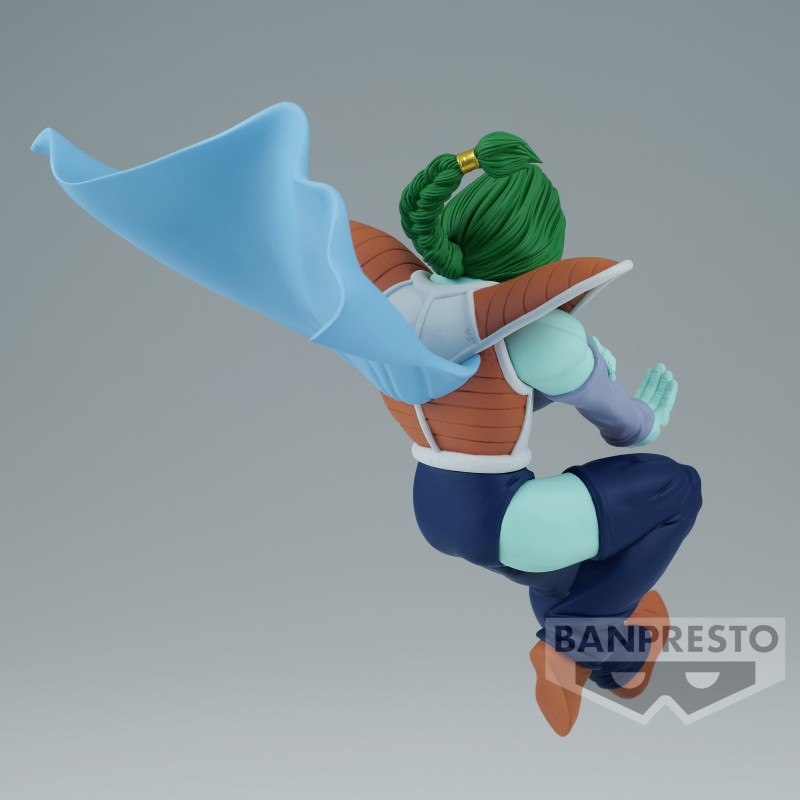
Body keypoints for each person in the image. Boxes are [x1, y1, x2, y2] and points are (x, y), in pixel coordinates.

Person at [353, 132, 703, 736]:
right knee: (675, 489)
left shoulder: (400, 304)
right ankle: (566, 647)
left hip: (433, 507)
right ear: (540, 243)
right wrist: (643, 411)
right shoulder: (537, 330)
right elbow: (623, 428)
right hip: (503, 514)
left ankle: (619, 664)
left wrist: (550, 387)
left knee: (573, 566)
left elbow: (480, 397)